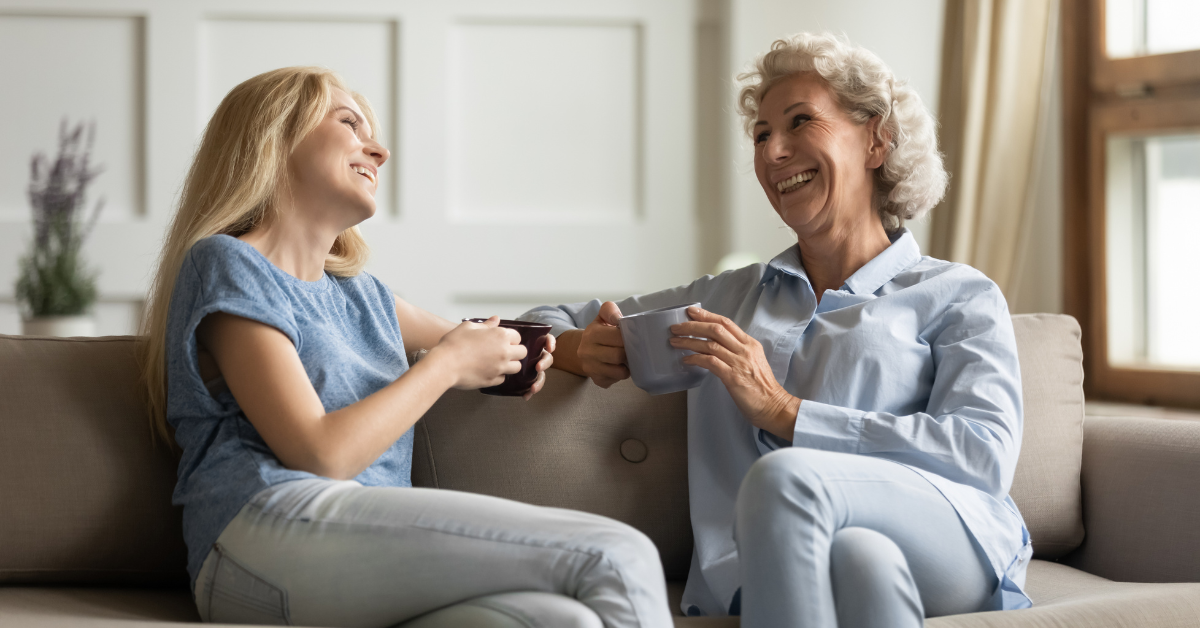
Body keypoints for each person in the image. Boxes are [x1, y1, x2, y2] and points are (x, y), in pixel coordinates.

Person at [519, 33, 1032, 627]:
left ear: (877, 139)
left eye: (800, 122)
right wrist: (579, 348)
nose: (774, 152)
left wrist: (787, 412)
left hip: (951, 537)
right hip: (782, 562)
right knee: (861, 560)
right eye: (762, 135)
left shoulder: (958, 294)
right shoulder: (724, 299)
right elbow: (540, 320)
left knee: (785, 479)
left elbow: (982, 454)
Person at [138, 66, 672, 628]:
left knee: (561, 620)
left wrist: (573, 349)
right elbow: (320, 454)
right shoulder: (227, 263)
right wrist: (445, 367)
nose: (380, 149)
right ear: (275, 136)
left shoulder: (362, 297)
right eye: (350, 122)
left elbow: (484, 339)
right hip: (261, 533)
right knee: (619, 555)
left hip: (353, 557)